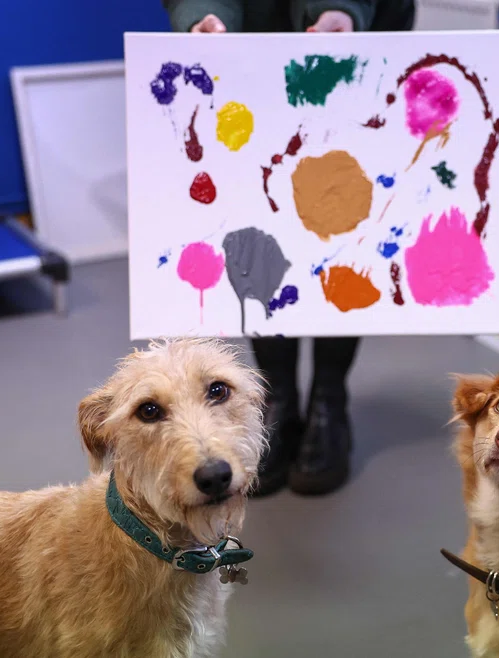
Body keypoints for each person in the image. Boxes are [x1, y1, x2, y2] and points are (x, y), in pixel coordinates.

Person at [160, 0, 416, 497]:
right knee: (256, 216)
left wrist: (341, 6)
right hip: (245, 47)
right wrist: (205, 12)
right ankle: (277, 397)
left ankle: (329, 398)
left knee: (347, 221)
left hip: (359, 26)